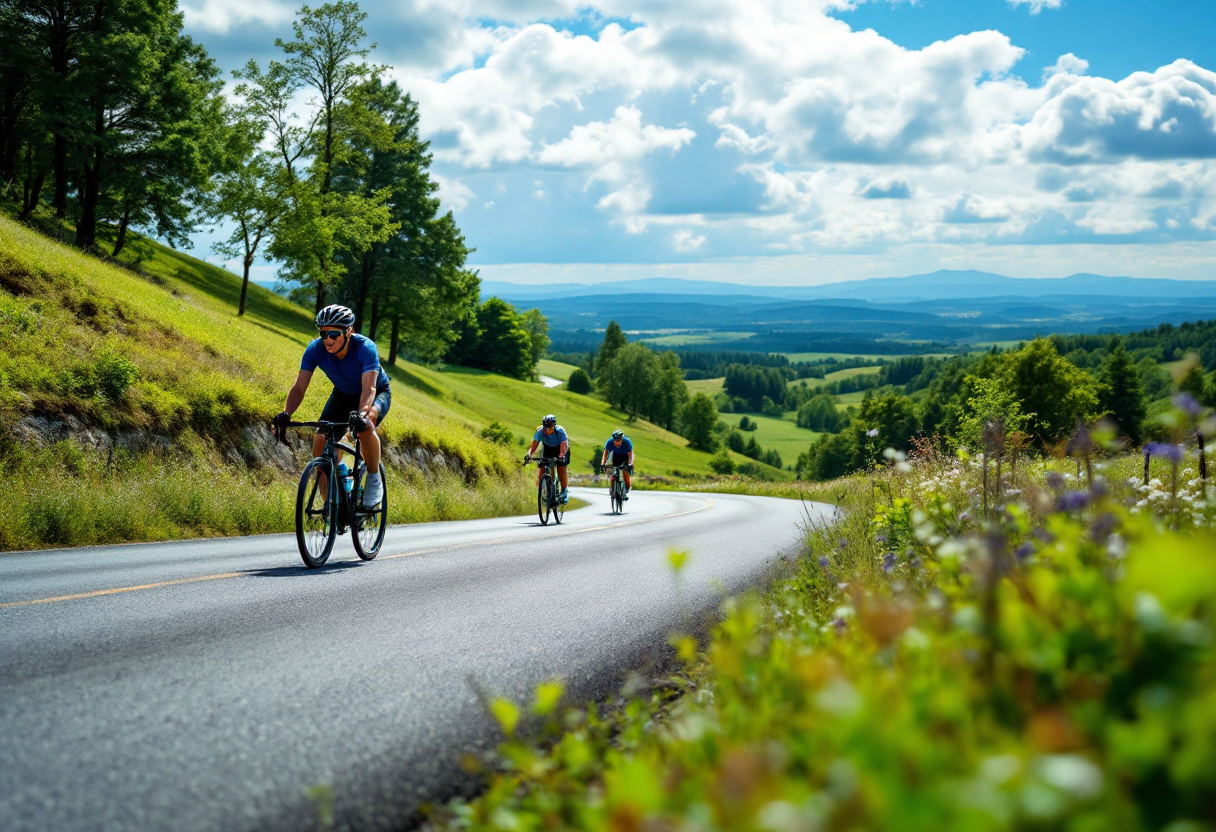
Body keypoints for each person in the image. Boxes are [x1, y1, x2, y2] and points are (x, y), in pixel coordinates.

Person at [272, 304, 391, 508]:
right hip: (343, 395)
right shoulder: (315, 349)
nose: (328, 339)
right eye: (323, 333)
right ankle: (332, 507)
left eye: (334, 334)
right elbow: (299, 387)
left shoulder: (365, 348)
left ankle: (373, 477)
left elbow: (369, 389)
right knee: (320, 441)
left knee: (366, 424)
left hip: (376, 393)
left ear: (349, 331)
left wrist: (361, 414)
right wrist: (286, 413)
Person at [525, 414, 569, 503]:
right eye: (547, 428)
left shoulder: (560, 431)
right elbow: (534, 446)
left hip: (561, 449)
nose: (549, 430)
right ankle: (545, 488)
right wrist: (528, 455)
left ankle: (564, 491)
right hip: (548, 449)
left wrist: (561, 456)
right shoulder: (540, 431)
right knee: (543, 465)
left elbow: (563, 444)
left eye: (551, 428)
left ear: (554, 425)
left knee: (561, 467)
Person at [600, 429, 634, 499]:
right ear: (613, 440)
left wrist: (630, 463)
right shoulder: (609, 442)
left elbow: (630, 454)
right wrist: (603, 463)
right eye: (616, 441)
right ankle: (613, 490)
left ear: (622, 439)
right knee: (613, 472)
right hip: (616, 456)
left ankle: (627, 487)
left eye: (619, 441)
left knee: (625, 471)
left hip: (626, 456)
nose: (617, 443)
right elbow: (606, 452)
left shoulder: (627, 442)